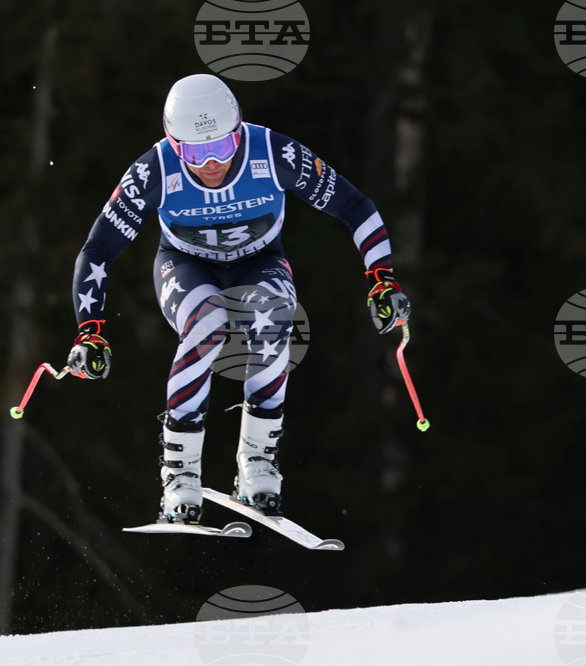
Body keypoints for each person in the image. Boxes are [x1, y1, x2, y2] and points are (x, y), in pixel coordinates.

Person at [68, 74, 411, 525]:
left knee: (276, 319)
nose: (211, 163)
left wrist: (381, 278)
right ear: (173, 145)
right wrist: (90, 330)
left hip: (259, 261)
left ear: (239, 131)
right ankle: (179, 473)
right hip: (186, 265)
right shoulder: (155, 170)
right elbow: (98, 249)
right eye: (195, 153)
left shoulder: (273, 153)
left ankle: (257, 463)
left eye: (223, 147)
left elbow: (355, 207)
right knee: (208, 324)